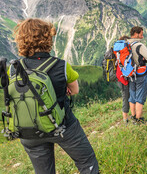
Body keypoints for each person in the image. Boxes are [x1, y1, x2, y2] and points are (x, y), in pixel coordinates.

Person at [11, 18, 99, 174]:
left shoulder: (13, 68)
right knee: (87, 163)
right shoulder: (62, 66)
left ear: (21, 40)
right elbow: (75, 90)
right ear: (48, 38)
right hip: (62, 125)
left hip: (29, 130)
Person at [127, 26, 147, 124]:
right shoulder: (139, 46)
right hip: (140, 74)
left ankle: (133, 116)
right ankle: (138, 120)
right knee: (140, 97)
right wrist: (143, 59)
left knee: (132, 96)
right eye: (141, 34)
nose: (142, 36)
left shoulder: (127, 43)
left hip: (130, 74)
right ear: (137, 34)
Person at [117, 35, 131, 125]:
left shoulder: (117, 51)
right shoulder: (123, 53)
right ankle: (125, 119)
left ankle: (127, 116)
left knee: (126, 96)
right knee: (125, 97)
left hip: (120, 78)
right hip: (123, 79)